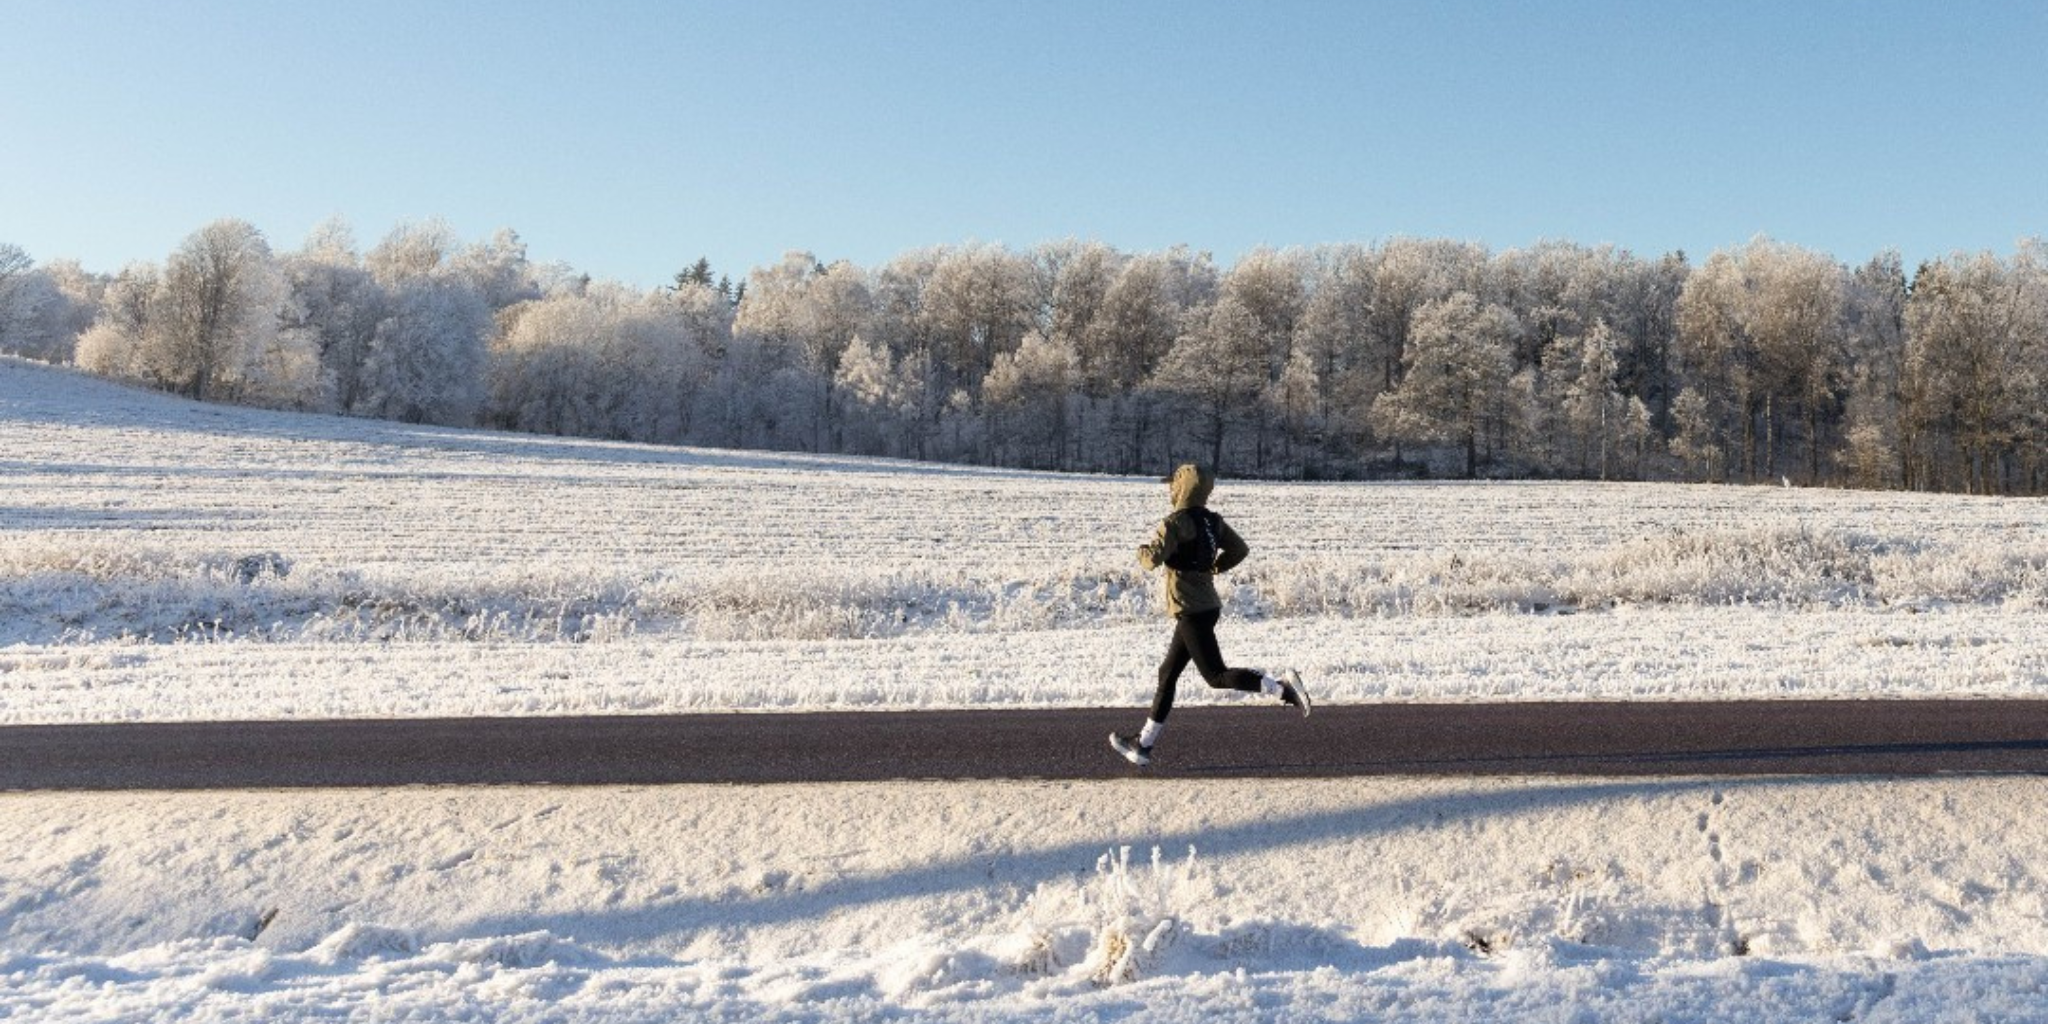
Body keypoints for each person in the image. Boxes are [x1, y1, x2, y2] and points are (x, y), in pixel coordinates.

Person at [1110, 463, 1309, 767]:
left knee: (1216, 676)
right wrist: (1215, 566)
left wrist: (1141, 550)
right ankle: (1143, 744)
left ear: (1181, 487)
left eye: (1173, 485)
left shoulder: (1174, 523)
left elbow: (1151, 561)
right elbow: (1240, 549)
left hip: (1191, 610)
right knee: (1167, 674)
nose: (1170, 489)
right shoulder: (1212, 522)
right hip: (1204, 607)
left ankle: (1282, 688)